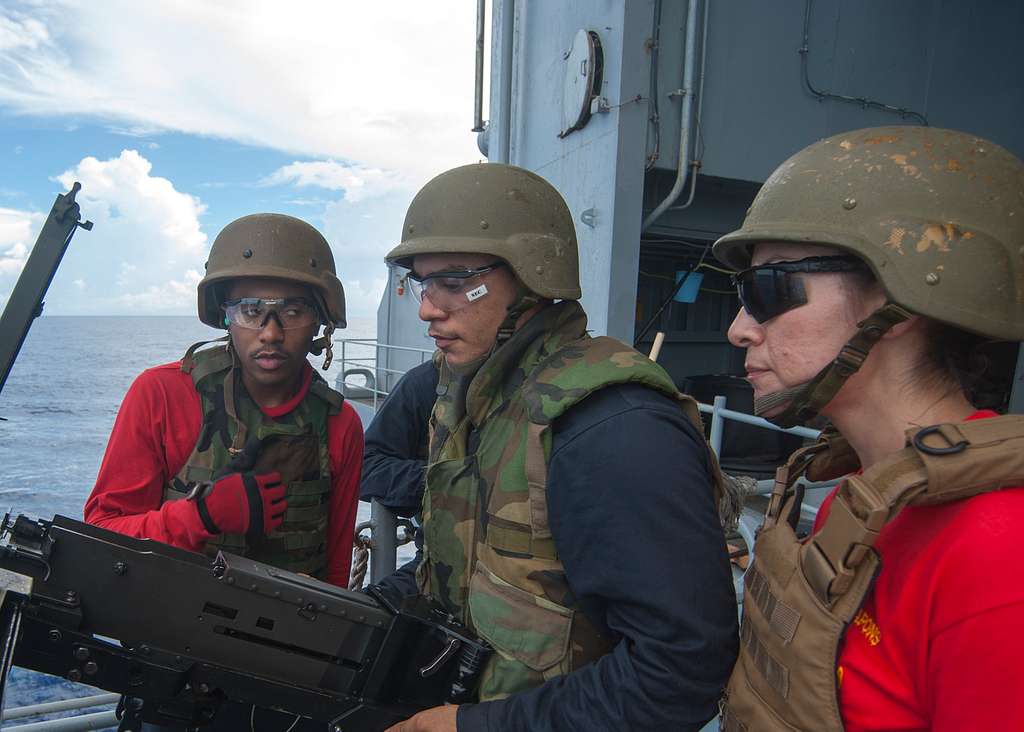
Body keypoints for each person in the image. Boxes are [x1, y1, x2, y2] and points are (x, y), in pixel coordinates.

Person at [378, 163, 738, 732]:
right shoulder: (479, 397)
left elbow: (678, 672)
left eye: (454, 281)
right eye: (423, 284)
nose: (428, 308)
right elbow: (468, 566)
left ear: (532, 277)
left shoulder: (612, 427)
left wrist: (471, 727)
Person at [715, 126, 1024, 732]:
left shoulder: (998, 556)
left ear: (896, 301)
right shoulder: (859, 495)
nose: (738, 328)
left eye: (769, 288)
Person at [84, 213, 363, 589]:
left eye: (292, 311)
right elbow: (102, 537)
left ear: (320, 322)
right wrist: (201, 516)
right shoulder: (162, 395)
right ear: (225, 316)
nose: (270, 333)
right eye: (250, 310)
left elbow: (333, 576)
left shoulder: (339, 424)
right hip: (168, 627)